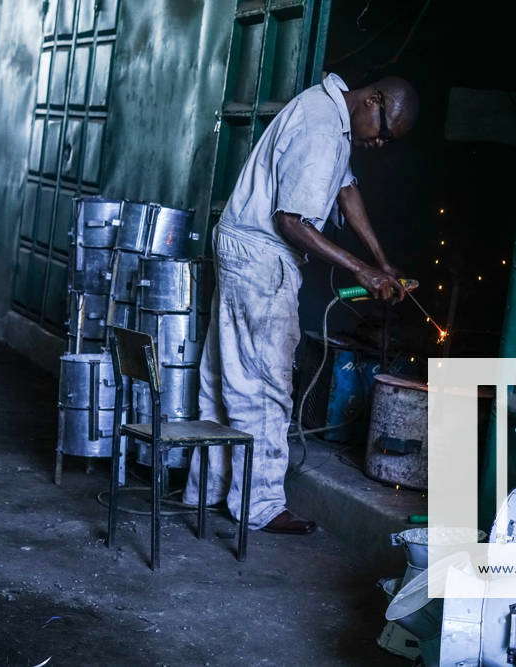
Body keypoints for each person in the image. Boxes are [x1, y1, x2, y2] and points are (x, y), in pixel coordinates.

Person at [183, 73, 419, 534]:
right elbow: (291, 221)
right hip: (262, 259)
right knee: (267, 386)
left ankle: (206, 490)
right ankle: (262, 505)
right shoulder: (322, 132)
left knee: (221, 378)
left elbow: (346, 191)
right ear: (373, 101)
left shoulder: (325, 107)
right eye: (384, 130)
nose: (381, 142)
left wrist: (382, 261)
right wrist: (361, 270)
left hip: (241, 246)